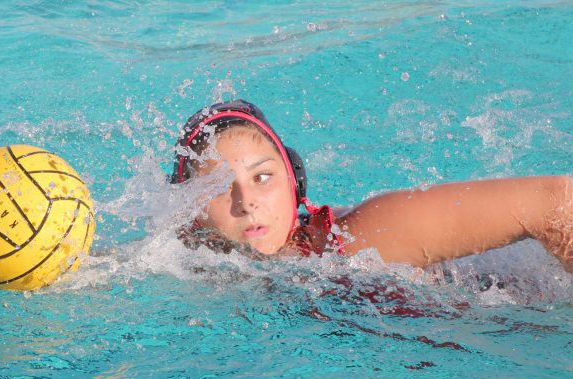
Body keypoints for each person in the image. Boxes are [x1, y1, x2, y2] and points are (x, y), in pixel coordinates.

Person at [171, 99, 573, 271]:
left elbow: (557, 201)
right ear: (192, 212)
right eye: (218, 188)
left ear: (295, 181)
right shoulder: (189, 264)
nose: (246, 202)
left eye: (262, 177)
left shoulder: (361, 238)